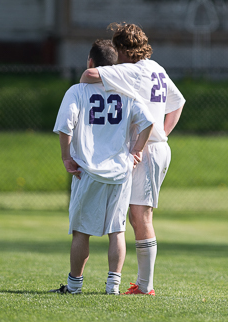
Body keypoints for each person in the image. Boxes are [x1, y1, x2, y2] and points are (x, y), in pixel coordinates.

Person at [80, 22, 186, 296]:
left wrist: (156, 136)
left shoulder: (132, 70)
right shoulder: (156, 67)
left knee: (140, 216)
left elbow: (89, 74)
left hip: (147, 150)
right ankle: (142, 283)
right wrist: (163, 133)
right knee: (137, 215)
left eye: (117, 48)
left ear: (124, 50)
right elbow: (178, 103)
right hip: (153, 146)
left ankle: (145, 286)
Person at [50, 39, 156, 295]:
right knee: (116, 230)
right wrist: (136, 151)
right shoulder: (126, 93)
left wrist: (66, 157)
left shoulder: (77, 91)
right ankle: (113, 287)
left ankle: (74, 286)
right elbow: (148, 122)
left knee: (80, 232)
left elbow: (65, 127)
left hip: (88, 171)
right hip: (120, 172)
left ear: (90, 61)